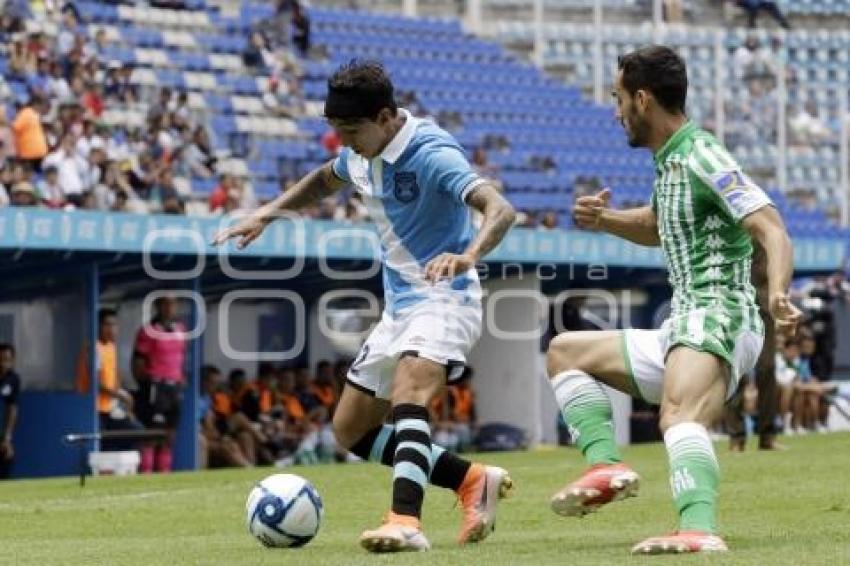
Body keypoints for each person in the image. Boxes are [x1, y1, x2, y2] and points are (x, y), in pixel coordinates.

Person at [214, 59, 517, 552]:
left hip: (445, 296)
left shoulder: (431, 153)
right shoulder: (358, 152)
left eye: (351, 130)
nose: (344, 142)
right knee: (351, 429)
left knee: (409, 390)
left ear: (384, 117)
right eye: (336, 131)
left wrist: (469, 255)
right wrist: (268, 214)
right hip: (398, 306)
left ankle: (405, 519)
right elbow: (324, 178)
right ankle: (469, 480)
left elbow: (500, 209)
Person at [549, 46, 800, 554]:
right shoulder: (671, 163)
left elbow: (770, 227)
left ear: (642, 99)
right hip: (684, 323)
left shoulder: (703, 154)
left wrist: (776, 293)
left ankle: (699, 528)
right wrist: (606, 220)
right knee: (564, 353)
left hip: (722, 315)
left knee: (679, 416)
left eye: (619, 99)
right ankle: (605, 466)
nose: (616, 112)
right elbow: (660, 224)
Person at [76, 309, 145, 451]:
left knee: (137, 431)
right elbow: (96, 383)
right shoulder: (92, 348)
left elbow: (114, 377)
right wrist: (120, 396)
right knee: (99, 444)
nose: (112, 329)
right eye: (107, 325)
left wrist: (123, 400)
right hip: (92, 408)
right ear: (98, 326)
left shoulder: (111, 347)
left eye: (114, 325)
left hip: (109, 407)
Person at [133, 296, 187, 473]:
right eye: (165, 303)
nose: (169, 307)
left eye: (173, 303)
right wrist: (146, 384)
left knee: (170, 434)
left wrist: (180, 377)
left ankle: (164, 471)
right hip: (156, 385)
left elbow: (181, 356)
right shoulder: (149, 330)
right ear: (158, 305)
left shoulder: (180, 328)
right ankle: (147, 471)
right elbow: (138, 362)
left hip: (175, 386)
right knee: (153, 432)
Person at [0, 343, 20, 479]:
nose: (3, 364)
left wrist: (7, 438)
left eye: (7, 360)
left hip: (2, 430)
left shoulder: (13, 379)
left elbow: (12, 408)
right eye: (1, 359)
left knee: (7, 456)